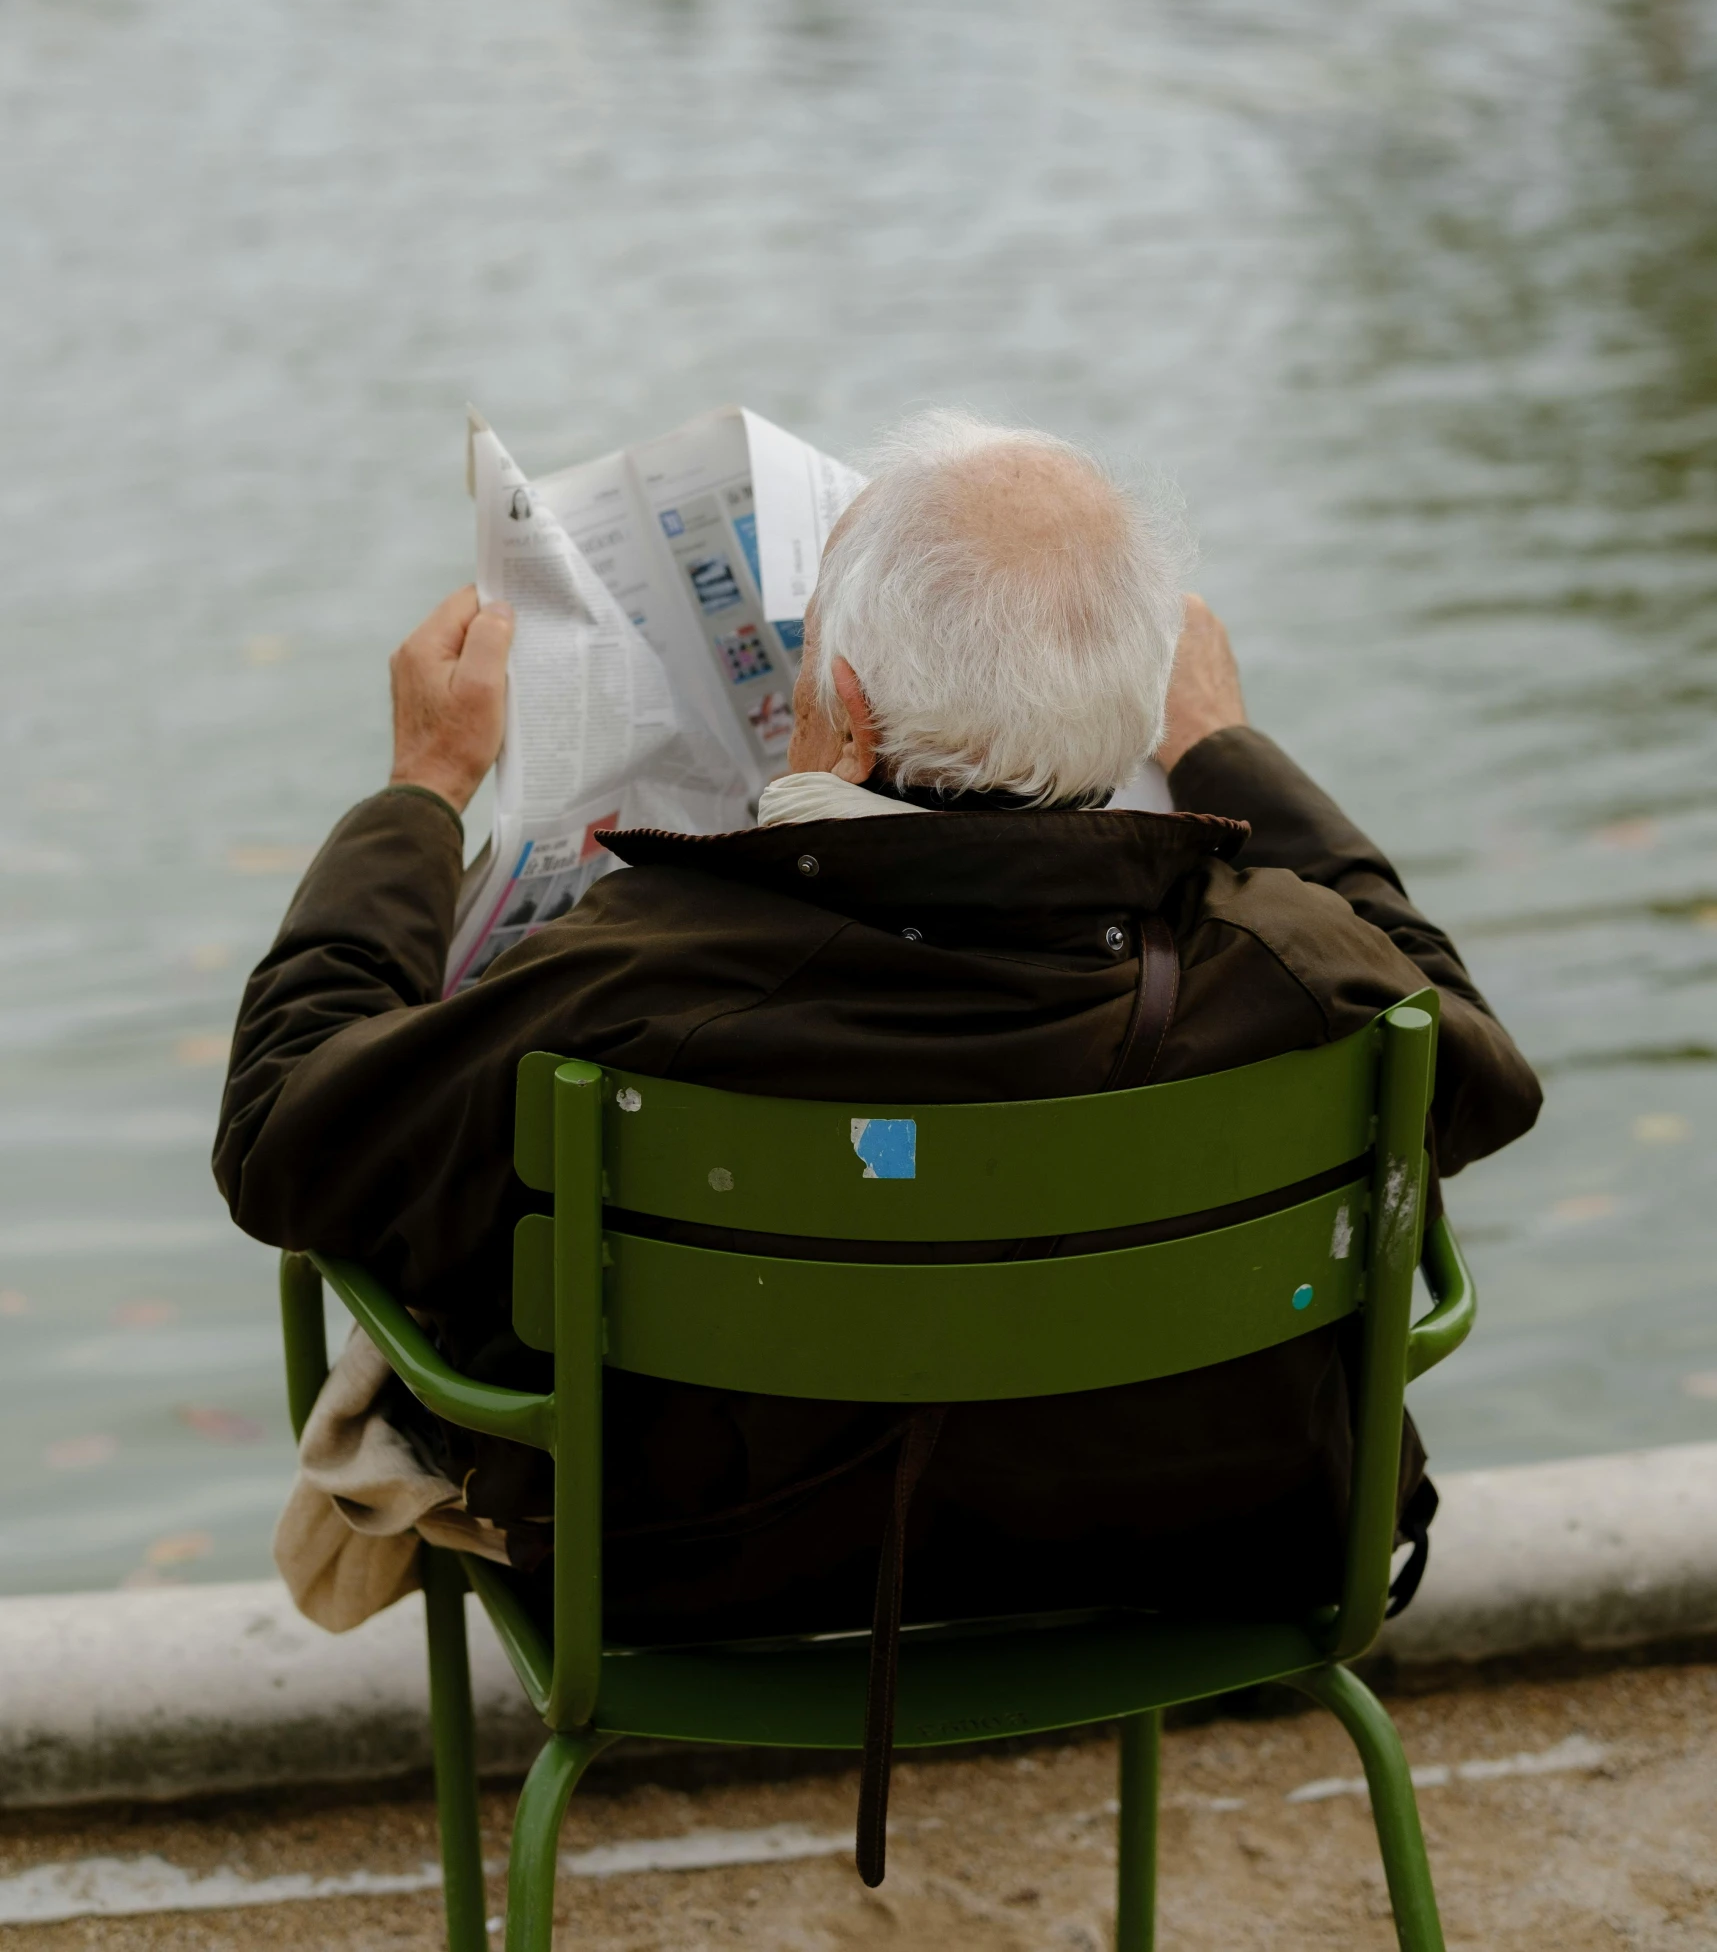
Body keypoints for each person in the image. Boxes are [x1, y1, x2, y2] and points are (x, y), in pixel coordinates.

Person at [217, 410, 1539, 1828]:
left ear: (841, 713)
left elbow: (284, 1131)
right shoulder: (1303, 970)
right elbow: (1475, 1056)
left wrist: (423, 786)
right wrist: (1224, 749)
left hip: (687, 1578)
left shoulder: (627, 987)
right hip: (1203, 1547)